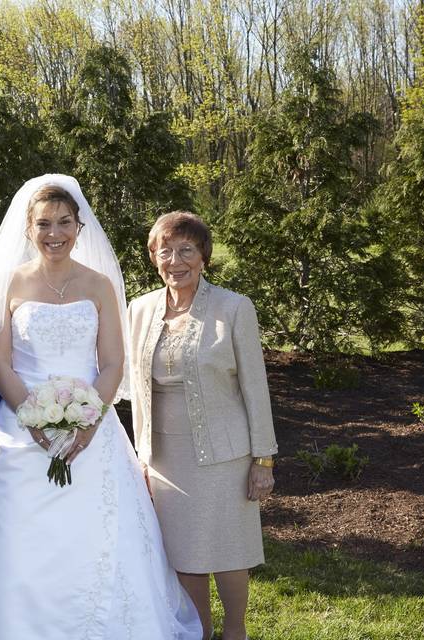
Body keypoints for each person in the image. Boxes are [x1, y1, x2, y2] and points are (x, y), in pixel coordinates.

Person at [0, 175, 201, 640]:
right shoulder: (9, 284)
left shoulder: (98, 285)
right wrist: (35, 421)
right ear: (28, 230)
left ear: (79, 227)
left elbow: (112, 362)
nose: (54, 233)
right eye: (43, 224)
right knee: (20, 538)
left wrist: (89, 424)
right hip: (21, 429)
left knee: (100, 537)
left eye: (63, 222)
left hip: (91, 427)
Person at [127, 211, 278, 640]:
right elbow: (137, 390)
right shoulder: (139, 309)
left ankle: (235, 631)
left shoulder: (233, 308)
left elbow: (255, 388)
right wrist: (141, 456)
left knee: (229, 549)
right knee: (182, 554)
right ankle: (199, 632)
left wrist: (262, 459)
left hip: (225, 456)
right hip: (165, 460)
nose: (175, 260)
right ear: (154, 258)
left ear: (204, 257)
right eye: (165, 251)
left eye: (186, 250)